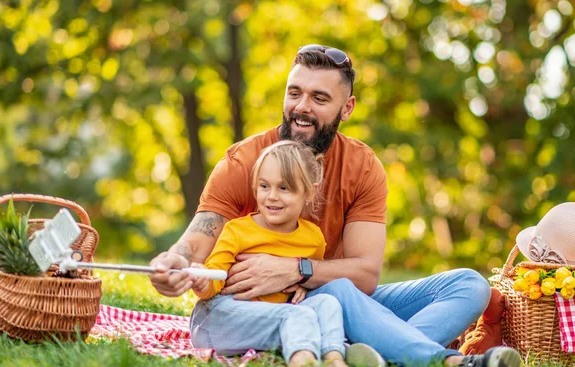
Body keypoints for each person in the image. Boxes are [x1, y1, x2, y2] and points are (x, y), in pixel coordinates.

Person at [150, 44, 521, 367]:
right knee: (339, 291)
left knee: (469, 285)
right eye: (294, 93)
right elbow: (199, 239)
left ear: (347, 108)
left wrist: (294, 269)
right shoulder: (245, 160)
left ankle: (372, 352)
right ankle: (422, 357)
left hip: (328, 294)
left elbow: (365, 274)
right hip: (277, 306)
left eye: (319, 98)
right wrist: (175, 263)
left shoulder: (362, 166)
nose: (301, 107)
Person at [188, 140, 381, 367]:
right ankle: (304, 361)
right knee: (296, 316)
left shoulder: (313, 238)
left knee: (327, 302)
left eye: (284, 188)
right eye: (264, 186)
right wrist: (202, 280)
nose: (271, 196)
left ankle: (333, 357)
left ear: (310, 192)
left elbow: (311, 280)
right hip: (218, 318)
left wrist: (302, 284)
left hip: (273, 316)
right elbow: (213, 280)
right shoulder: (237, 230)